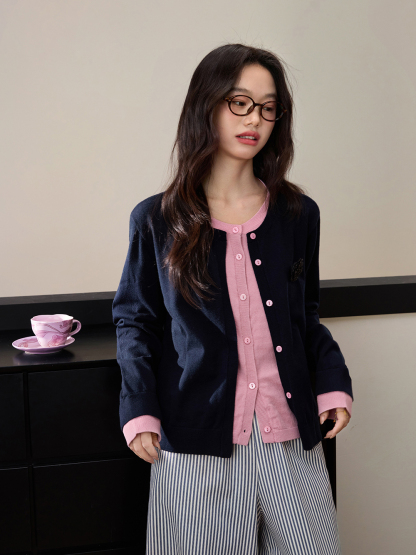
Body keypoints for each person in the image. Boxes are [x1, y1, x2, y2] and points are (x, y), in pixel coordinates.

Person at [112, 43, 353, 555]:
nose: (255, 119)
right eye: (239, 102)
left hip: (290, 435)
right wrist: (139, 408)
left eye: (268, 107)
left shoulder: (298, 214)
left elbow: (306, 315)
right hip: (196, 441)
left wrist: (333, 383)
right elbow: (136, 322)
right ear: (207, 105)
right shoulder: (156, 219)